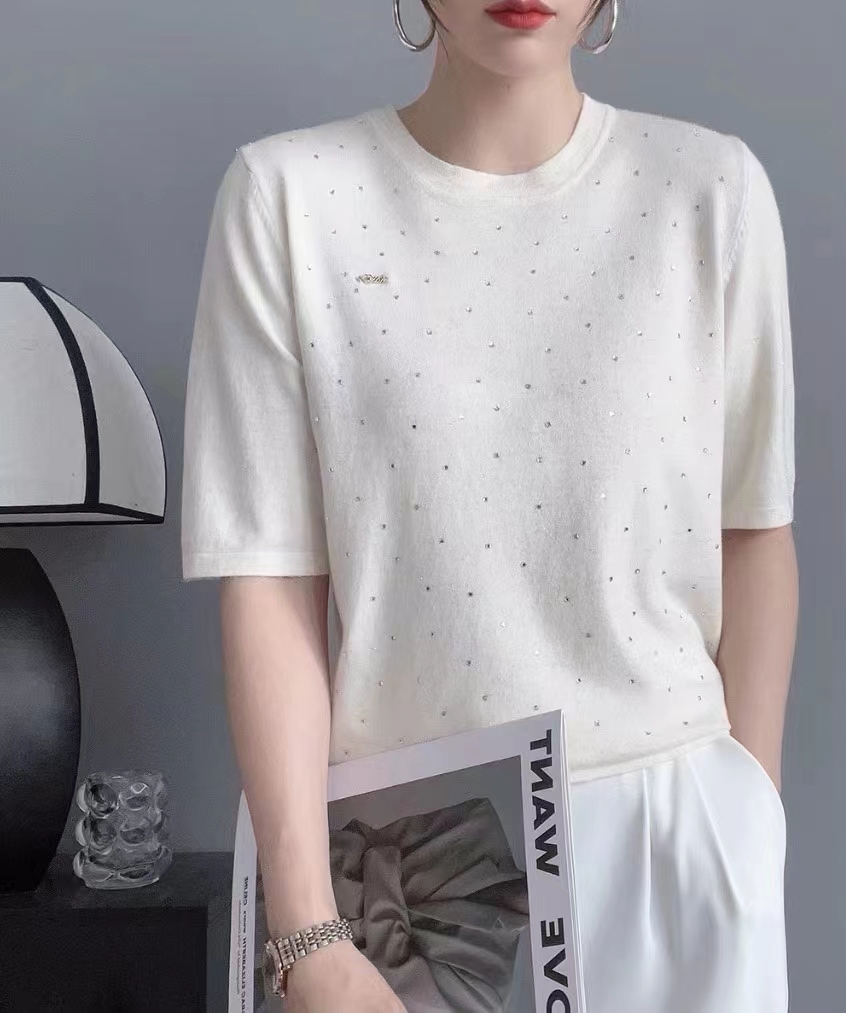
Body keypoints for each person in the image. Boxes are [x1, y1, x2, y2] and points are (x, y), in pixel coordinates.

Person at [180, 0, 799, 1010]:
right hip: (407, 867)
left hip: (674, 839)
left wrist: (749, 819)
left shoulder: (706, 189)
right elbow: (268, 579)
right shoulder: (291, 199)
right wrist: (307, 931)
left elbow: (752, 529)